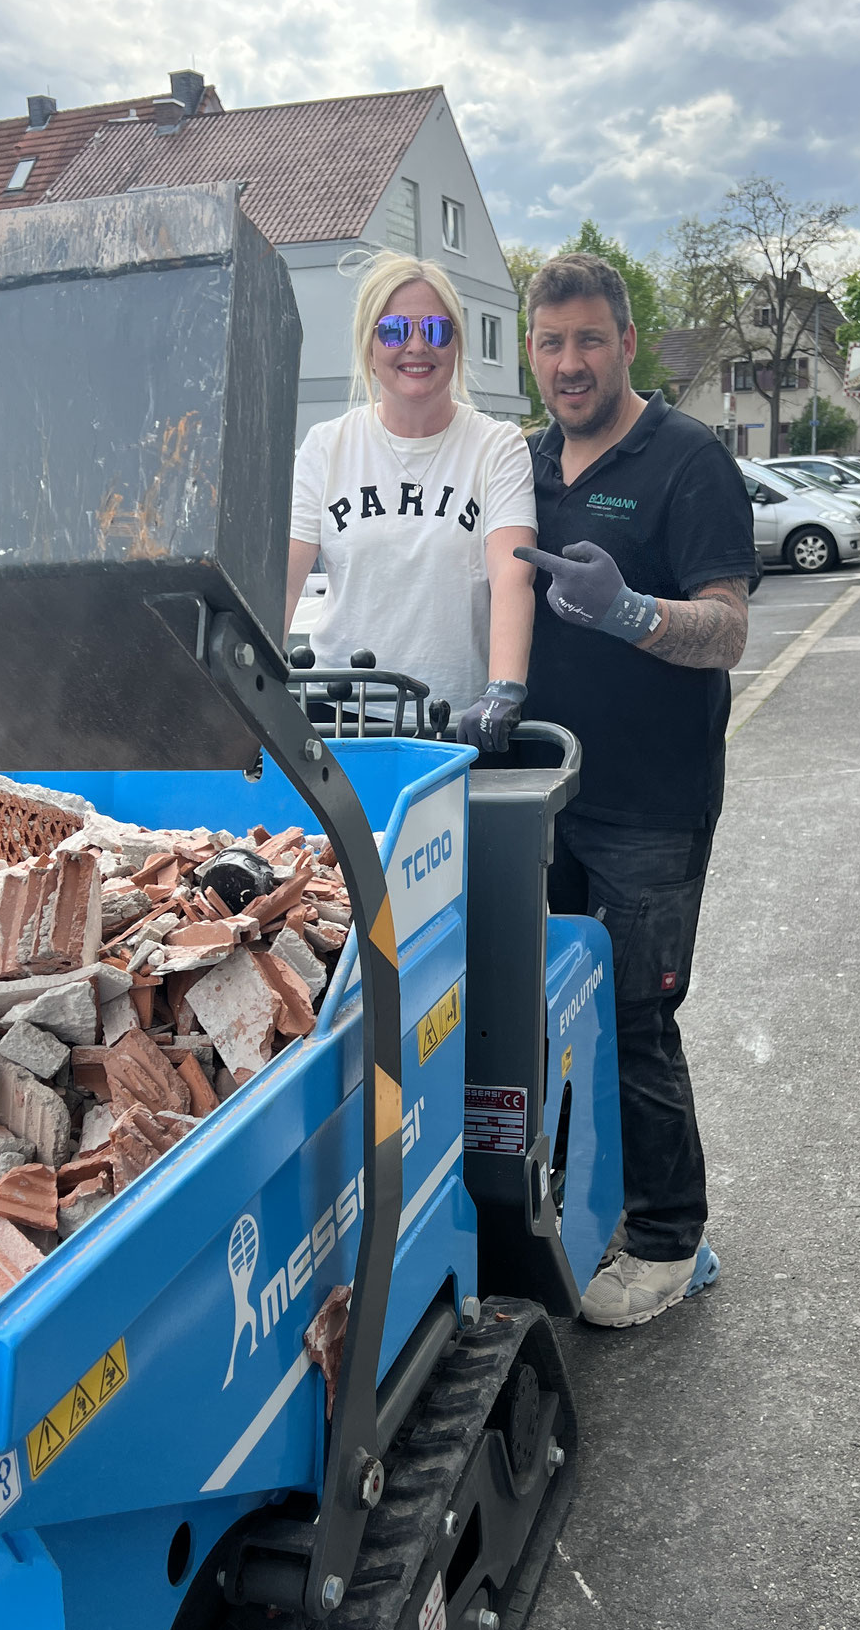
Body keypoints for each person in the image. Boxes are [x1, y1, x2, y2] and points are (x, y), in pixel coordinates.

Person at [515, 251, 759, 1329]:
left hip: (651, 802)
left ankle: (671, 1239)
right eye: (551, 342)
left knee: (637, 1015)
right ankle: (593, 1202)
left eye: (589, 340)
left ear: (625, 342)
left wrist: (633, 612)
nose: (571, 363)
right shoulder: (523, 464)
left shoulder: (688, 458)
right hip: (536, 793)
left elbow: (729, 629)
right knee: (552, 1015)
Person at [286, 252, 536, 751]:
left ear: (457, 344)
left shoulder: (497, 447)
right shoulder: (326, 446)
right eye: (395, 329)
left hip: (458, 721)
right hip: (339, 718)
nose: (416, 346)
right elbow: (281, 582)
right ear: (370, 344)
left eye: (438, 330)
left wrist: (504, 688)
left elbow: (514, 577)